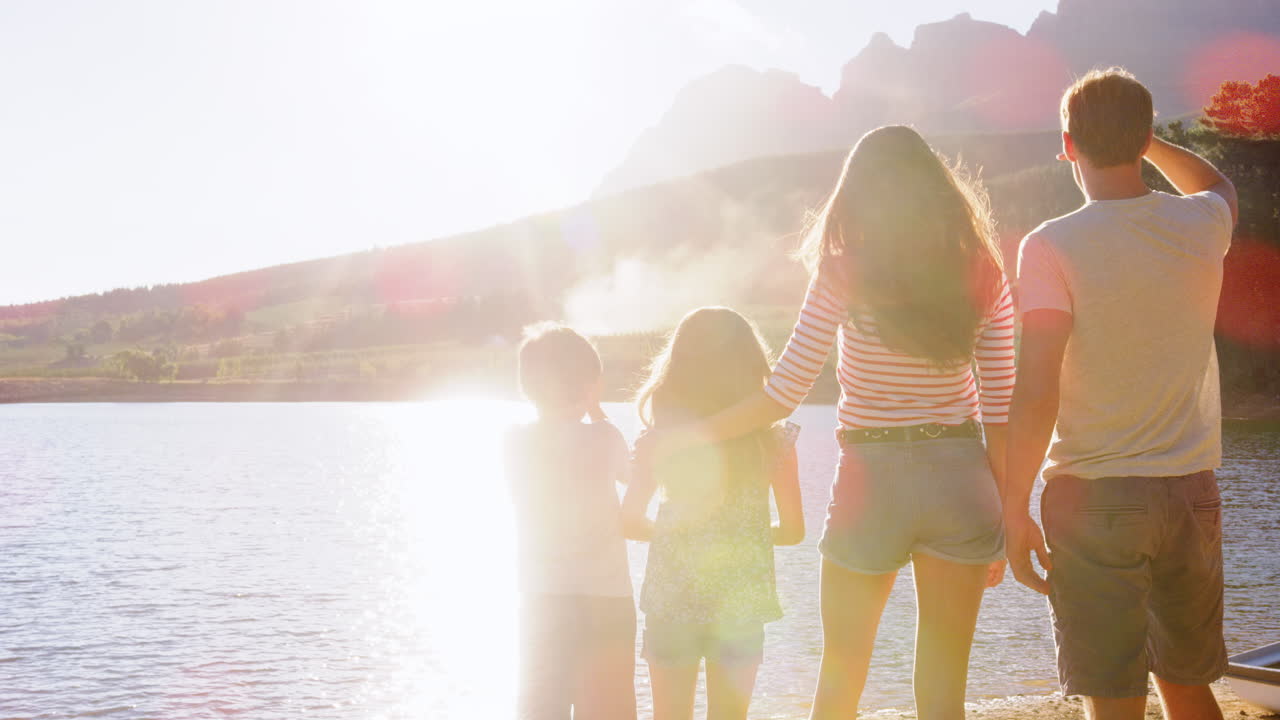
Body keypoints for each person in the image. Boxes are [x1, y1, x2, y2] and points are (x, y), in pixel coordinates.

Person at [654, 126, 1015, 720]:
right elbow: (1000, 406)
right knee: (944, 686)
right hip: (961, 479)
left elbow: (784, 391)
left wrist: (697, 435)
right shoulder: (983, 271)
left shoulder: (844, 272)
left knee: (841, 677)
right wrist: (1006, 511)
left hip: (870, 479)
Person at [1003, 68, 1238, 720]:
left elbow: (1038, 387)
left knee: (1115, 701)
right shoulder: (1199, 225)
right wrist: (1151, 141)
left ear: (1067, 146)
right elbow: (1218, 183)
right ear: (1140, 141)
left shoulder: (1049, 245)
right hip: (1191, 493)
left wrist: (1014, 505)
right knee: (1190, 688)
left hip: (1095, 499)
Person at [621, 306, 804, 720]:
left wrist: (673, 533)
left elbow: (630, 520)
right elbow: (793, 531)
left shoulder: (660, 441)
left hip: (671, 598)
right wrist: (747, 533)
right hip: (740, 602)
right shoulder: (774, 442)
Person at [505, 323, 637, 720]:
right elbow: (634, 478)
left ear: (527, 386)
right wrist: (596, 406)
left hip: (542, 598)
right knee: (608, 709)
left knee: (542, 707)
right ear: (592, 385)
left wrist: (588, 398)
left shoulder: (513, 440)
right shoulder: (605, 438)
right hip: (607, 601)